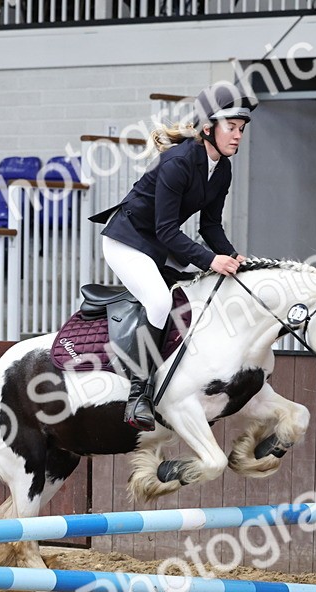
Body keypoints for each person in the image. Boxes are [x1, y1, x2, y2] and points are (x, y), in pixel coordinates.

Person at [89, 83, 255, 431]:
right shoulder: (178, 162)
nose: (238, 135)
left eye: (241, 128)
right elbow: (166, 230)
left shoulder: (222, 168)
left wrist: (232, 257)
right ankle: (137, 395)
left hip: (160, 246)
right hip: (127, 242)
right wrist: (211, 261)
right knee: (160, 302)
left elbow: (210, 225)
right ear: (207, 128)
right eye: (231, 127)